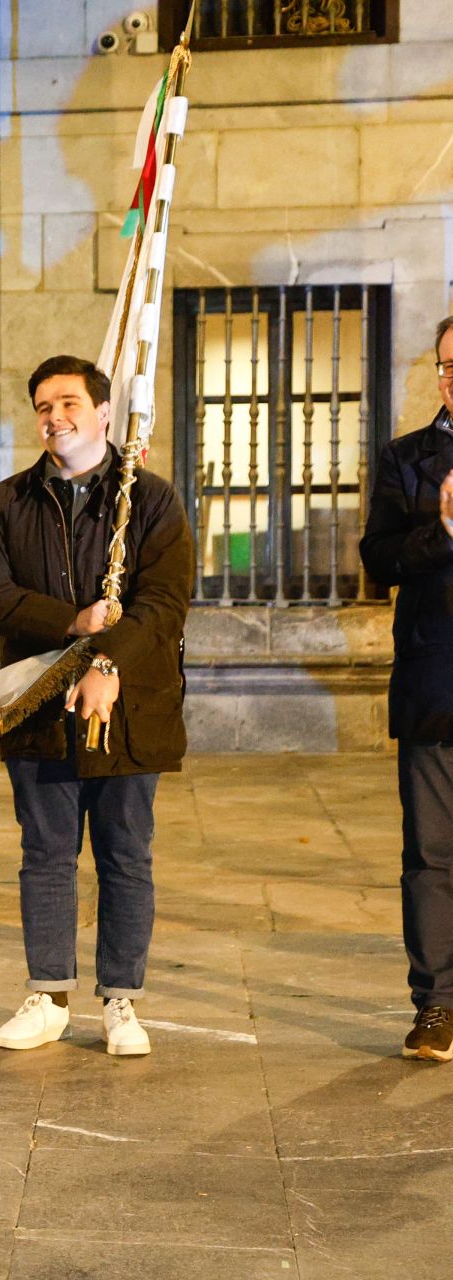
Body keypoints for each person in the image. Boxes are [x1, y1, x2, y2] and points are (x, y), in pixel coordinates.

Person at [0, 354, 190, 1058]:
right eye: (42, 407)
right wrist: (74, 621)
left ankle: (121, 1000)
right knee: (47, 852)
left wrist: (110, 662)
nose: (54, 417)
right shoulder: (11, 501)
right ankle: (49, 995)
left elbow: (165, 599)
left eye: (67, 403)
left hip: (130, 707)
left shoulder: (149, 500)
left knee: (126, 854)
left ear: (102, 414)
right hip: (41, 705)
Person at [360, 315, 453, 1062]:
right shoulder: (407, 459)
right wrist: (444, 529)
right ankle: (437, 1005)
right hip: (436, 683)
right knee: (431, 855)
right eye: (448, 365)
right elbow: (379, 560)